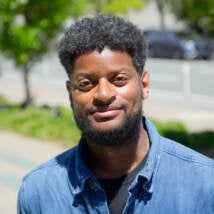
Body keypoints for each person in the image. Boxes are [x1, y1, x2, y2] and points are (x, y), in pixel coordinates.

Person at [17, 14, 214, 214]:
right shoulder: (38, 193)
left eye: (119, 79)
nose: (103, 94)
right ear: (70, 93)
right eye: (86, 83)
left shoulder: (205, 184)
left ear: (143, 85)